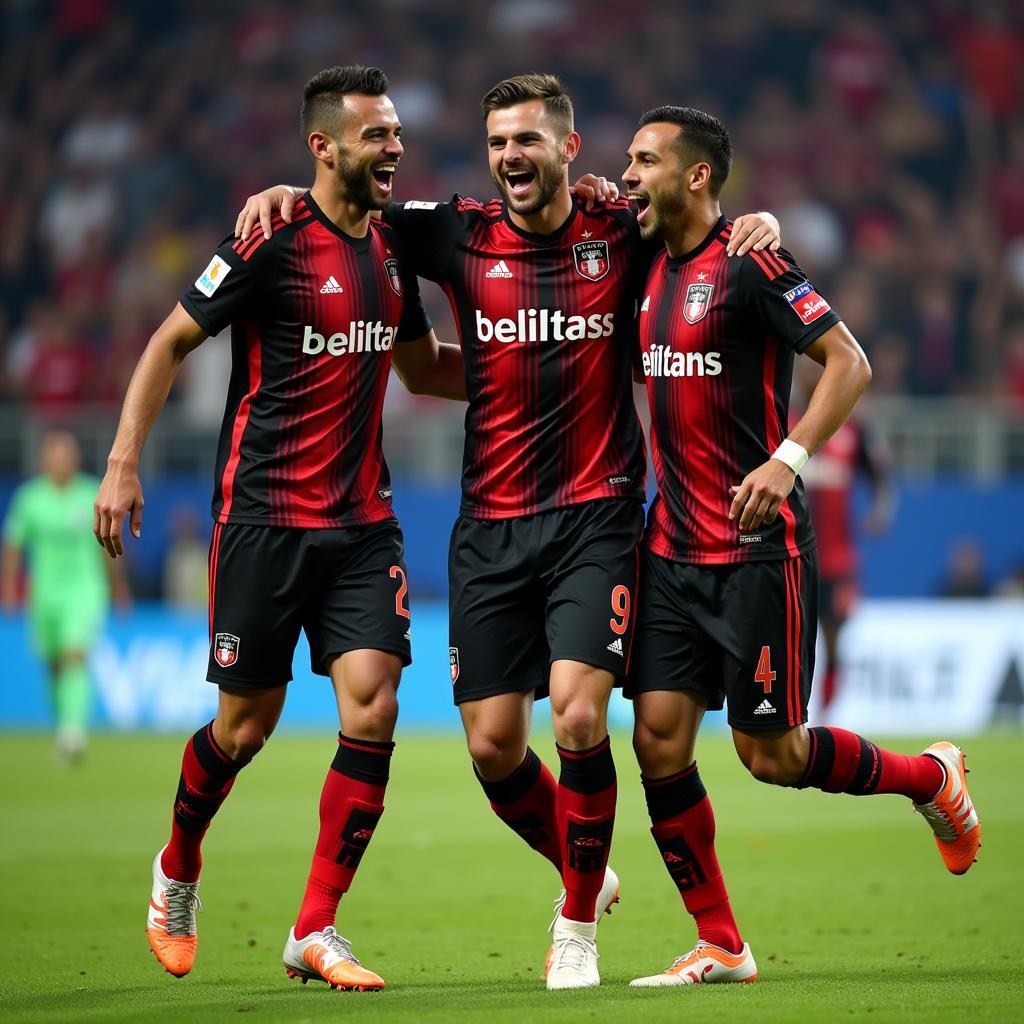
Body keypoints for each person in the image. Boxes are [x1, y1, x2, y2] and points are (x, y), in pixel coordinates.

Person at [235, 74, 782, 990]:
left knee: (577, 710)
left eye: (528, 140)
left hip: (596, 515)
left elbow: (699, 215)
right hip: (488, 524)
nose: (510, 157)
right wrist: (283, 192)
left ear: (570, 151)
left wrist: (753, 221)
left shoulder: (620, 228)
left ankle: (575, 927)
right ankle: (588, 865)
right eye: (497, 143)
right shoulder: (453, 229)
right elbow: (346, 205)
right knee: (492, 744)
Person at [94, 65, 465, 991]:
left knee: (373, 702)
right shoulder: (266, 238)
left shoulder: (391, 250)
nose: (394, 148)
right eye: (376, 134)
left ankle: (315, 927)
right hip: (261, 518)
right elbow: (167, 341)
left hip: (362, 525)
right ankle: (179, 862)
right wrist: (122, 461)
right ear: (322, 146)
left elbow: (421, 371)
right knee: (245, 726)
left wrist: (546, 363)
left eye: (397, 133)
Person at [621, 105, 981, 987]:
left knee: (770, 755)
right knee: (659, 741)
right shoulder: (638, 261)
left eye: (644, 161)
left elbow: (848, 360)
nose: (627, 176)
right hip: (671, 547)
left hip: (756, 547)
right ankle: (721, 942)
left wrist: (788, 459)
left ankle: (931, 778)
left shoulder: (751, 260)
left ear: (697, 175)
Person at [2, 431, 129, 761]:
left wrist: (117, 586)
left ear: (75, 459)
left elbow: (108, 546)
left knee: (75, 653)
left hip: (84, 590)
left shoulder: (91, 494)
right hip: (43, 593)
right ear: (44, 460)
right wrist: (8, 588)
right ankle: (63, 726)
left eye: (67, 454)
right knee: (54, 664)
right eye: (55, 455)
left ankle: (74, 732)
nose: (61, 461)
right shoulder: (29, 499)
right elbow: (14, 546)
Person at [794, 361, 892, 712]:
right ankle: (795, 715)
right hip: (793, 557)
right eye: (802, 372)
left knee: (834, 639)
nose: (808, 377)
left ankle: (827, 715)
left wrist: (881, 509)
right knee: (794, 640)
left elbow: (880, 476)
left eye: (814, 371)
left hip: (837, 559)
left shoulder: (853, 428)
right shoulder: (783, 424)